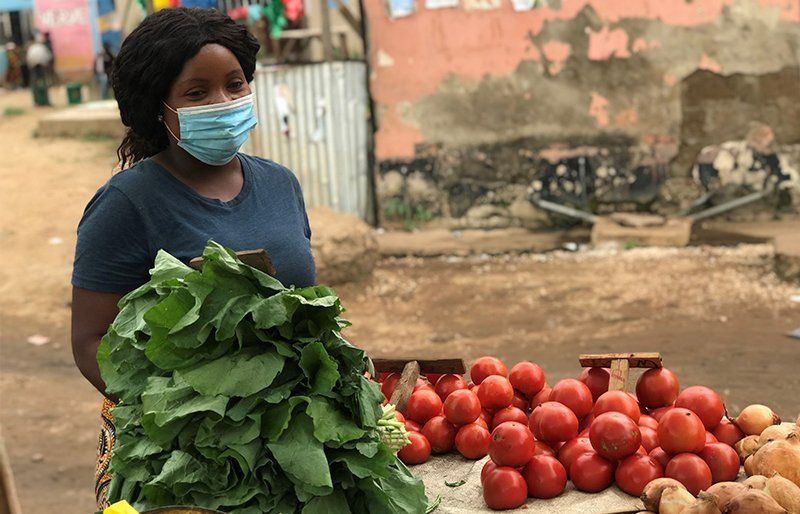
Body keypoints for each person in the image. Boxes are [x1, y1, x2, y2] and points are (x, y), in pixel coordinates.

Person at [69, 8, 315, 508]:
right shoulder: (126, 204)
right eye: (197, 92)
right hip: (178, 454)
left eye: (234, 84)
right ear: (159, 106)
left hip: (289, 434)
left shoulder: (281, 184)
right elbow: (90, 339)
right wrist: (185, 419)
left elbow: (305, 305)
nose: (223, 102)